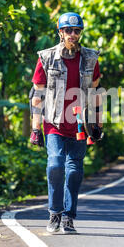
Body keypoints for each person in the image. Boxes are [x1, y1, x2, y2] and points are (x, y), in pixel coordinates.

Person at [29, 12, 102, 234]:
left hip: (80, 124)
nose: (73, 34)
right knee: (55, 165)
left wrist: (97, 123)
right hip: (53, 122)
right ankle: (54, 214)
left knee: (74, 171)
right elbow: (37, 95)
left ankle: (69, 217)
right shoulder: (47, 57)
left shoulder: (90, 58)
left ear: (80, 33)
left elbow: (96, 91)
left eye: (77, 31)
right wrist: (35, 128)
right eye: (68, 30)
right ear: (60, 32)